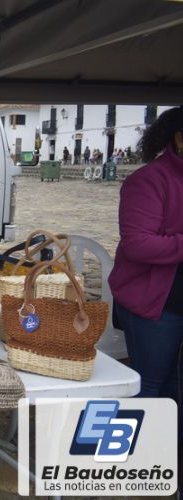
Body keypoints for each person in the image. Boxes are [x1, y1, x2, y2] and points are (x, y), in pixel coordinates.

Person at [109, 105, 183, 449]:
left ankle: (162, 454)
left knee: (172, 387)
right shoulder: (148, 181)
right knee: (149, 384)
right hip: (154, 305)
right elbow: (138, 244)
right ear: (178, 139)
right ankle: (124, 460)